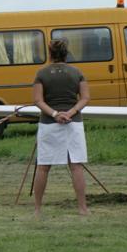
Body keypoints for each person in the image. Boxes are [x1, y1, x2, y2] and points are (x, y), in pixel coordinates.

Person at [32, 38, 91, 216]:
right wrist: (70, 113)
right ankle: (82, 208)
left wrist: (55, 114)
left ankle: (37, 209)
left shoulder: (41, 74)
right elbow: (85, 98)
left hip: (49, 124)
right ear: (66, 53)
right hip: (73, 124)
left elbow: (38, 100)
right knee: (76, 166)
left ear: (50, 54)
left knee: (43, 167)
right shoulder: (77, 72)